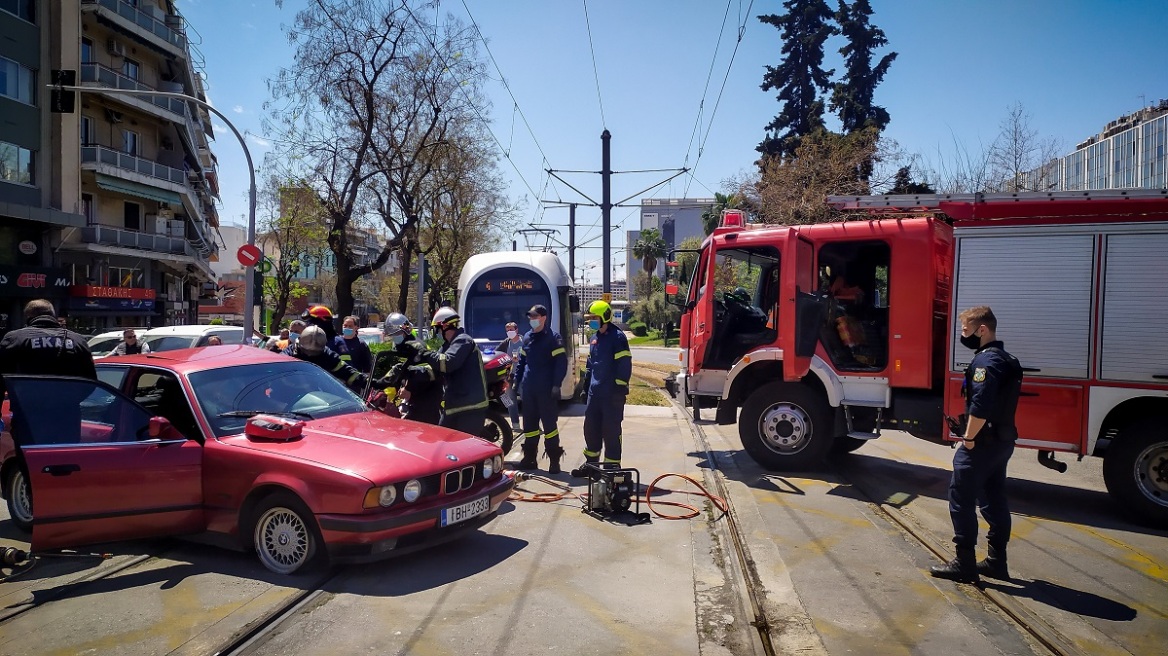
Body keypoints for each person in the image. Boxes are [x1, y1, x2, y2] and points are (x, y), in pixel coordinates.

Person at [930, 306, 1023, 585]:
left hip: (982, 443)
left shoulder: (986, 362)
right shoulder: (1008, 359)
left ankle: (964, 564)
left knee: (961, 498)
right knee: (995, 498)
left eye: (965, 329)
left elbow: (980, 405)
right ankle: (996, 562)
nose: (963, 335)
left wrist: (968, 438)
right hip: (1002, 442)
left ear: (982, 330)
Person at [0, 299, 98, 441]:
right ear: (53, 315)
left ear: (28, 317)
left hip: (29, 416)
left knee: (31, 461)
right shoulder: (77, 340)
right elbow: (90, 382)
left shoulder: (15, 339)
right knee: (65, 459)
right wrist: (68, 400)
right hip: (67, 418)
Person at [395, 307, 488, 435]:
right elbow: (435, 369)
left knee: (465, 448)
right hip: (454, 406)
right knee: (441, 440)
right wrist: (411, 372)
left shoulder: (463, 341)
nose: (437, 332)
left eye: (437, 329)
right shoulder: (446, 347)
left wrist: (425, 352)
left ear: (444, 326)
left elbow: (447, 363)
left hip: (470, 407)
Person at [571, 300, 632, 476]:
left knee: (611, 431)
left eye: (594, 318)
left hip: (612, 394)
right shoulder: (594, 338)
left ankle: (612, 468)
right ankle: (592, 466)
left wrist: (620, 388)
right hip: (595, 394)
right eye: (589, 318)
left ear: (605, 316)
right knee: (591, 429)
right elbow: (591, 365)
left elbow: (624, 364)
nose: (591, 321)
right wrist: (585, 387)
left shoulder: (618, 337)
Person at [511, 305, 568, 472]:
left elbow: (561, 363)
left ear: (543, 317)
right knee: (529, 427)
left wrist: (557, 384)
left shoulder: (553, 338)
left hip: (546, 390)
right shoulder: (527, 337)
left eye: (535, 316)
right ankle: (529, 459)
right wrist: (516, 381)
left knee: (550, 427)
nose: (532, 319)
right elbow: (522, 362)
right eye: (530, 317)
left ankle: (554, 461)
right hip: (529, 390)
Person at [285, 325, 370, 395]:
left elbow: (348, 373)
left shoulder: (327, 355)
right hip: (288, 397)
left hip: (319, 398)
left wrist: (370, 382)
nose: (310, 355)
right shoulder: (287, 355)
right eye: (307, 352)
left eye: (315, 353)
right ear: (300, 343)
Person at [495, 321, 523, 431]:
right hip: (509, 377)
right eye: (507, 330)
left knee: (529, 400)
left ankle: (534, 425)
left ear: (516, 330)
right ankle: (515, 425)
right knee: (509, 401)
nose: (509, 332)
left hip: (522, 376)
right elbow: (496, 354)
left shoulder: (524, 342)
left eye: (511, 330)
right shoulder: (506, 343)